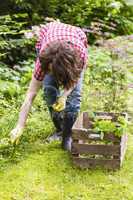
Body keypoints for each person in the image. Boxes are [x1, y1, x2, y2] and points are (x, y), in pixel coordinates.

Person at [10, 21, 88, 151]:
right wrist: (20, 126)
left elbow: (75, 79)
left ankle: (67, 137)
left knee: (74, 99)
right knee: (49, 91)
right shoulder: (44, 62)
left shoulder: (80, 55)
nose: (50, 74)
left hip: (75, 45)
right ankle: (59, 130)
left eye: (54, 72)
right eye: (49, 71)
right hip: (47, 37)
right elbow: (30, 95)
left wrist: (64, 96)